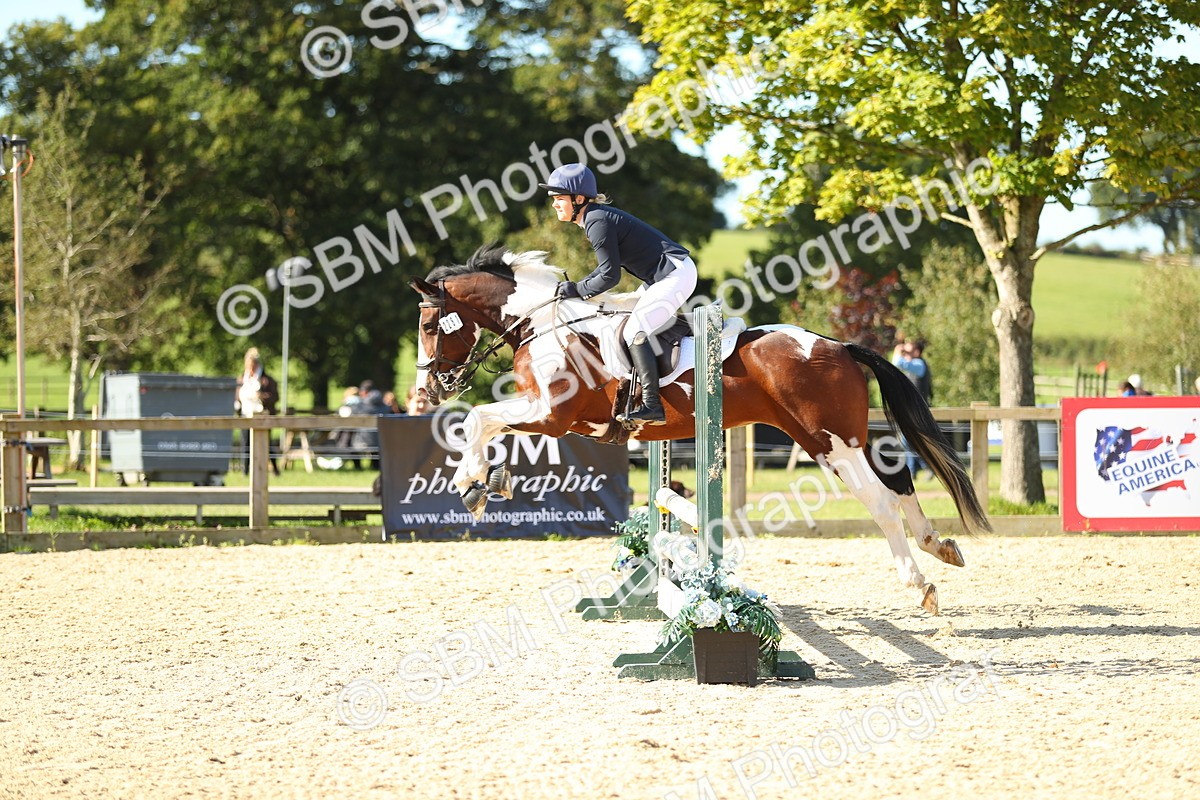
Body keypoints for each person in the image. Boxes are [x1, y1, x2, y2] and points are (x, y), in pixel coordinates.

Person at [539, 163, 697, 425]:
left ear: (578, 199)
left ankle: (652, 405)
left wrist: (577, 289)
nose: (555, 204)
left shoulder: (596, 220)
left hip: (674, 274)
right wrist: (578, 288)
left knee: (633, 331)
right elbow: (604, 271)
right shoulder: (594, 217)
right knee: (624, 317)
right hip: (662, 275)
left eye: (559, 198)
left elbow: (610, 276)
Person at [234, 347, 280, 475]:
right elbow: (237, 396)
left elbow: (275, 397)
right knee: (246, 443)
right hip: (245, 414)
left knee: (267, 444)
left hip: (262, 415)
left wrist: (261, 396)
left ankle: (275, 469)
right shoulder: (242, 378)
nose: (250, 367)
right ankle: (245, 471)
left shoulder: (267, 380)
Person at [891, 337, 932, 477]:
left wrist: (897, 350)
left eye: (908, 351)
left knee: (908, 440)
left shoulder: (919, 364)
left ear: (917, 352)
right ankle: (914, 470)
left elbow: (897, 363)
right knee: (909, 440)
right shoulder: (916, 365)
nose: (905, 353)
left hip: (916, 411)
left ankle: (925, 467)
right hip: (912, 410)